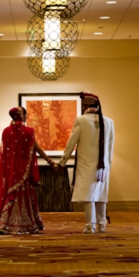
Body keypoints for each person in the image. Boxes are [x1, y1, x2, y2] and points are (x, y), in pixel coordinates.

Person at [0, 106, 58, 234]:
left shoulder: (6, 131)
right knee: (23, 195)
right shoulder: (29, 131)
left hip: (10, 170)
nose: (26, 117)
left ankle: (5, 224)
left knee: (11, 194)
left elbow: (4, 154)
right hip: (24, 170)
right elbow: (37, 148)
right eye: (25, 114)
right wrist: (50, 162)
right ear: (21, 116)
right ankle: (26, 224)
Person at [57, 92, 115, 234]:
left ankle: (91, 225)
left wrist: (62, 162)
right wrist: (108, 165)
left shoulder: (81, 120)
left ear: (86, 106)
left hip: (86, 165)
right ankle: (102, 225)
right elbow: (111, 147)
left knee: (88, 196)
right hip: (103, 166)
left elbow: (71, 144)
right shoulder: (109, 121)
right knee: (101, 195)